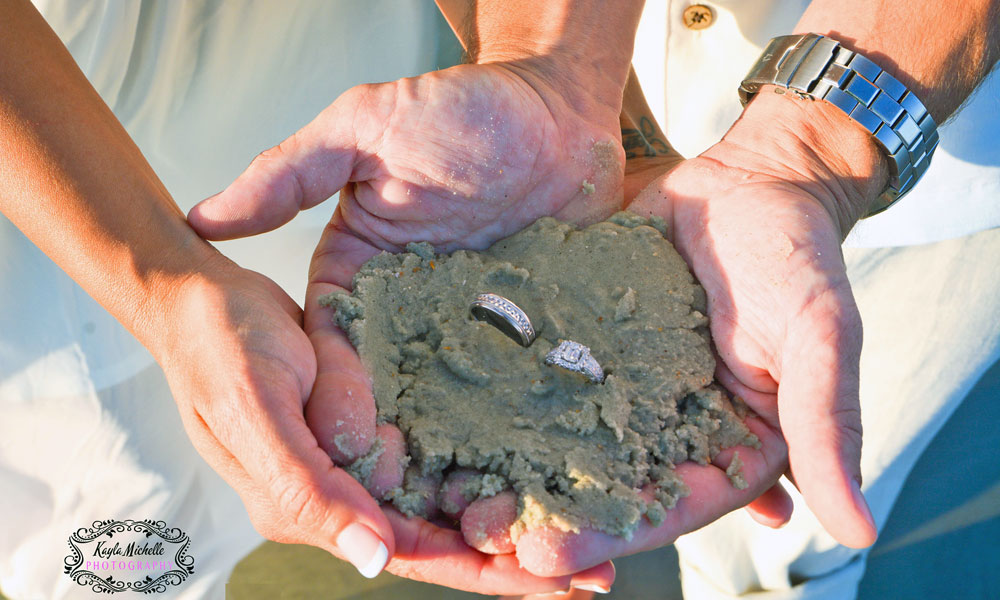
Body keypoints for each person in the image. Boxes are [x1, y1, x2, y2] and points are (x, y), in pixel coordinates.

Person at [1, 2, 998, 600]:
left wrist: (813, 151)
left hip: (949, 149)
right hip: (601, 119)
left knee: (820, 511)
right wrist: (553, 65)